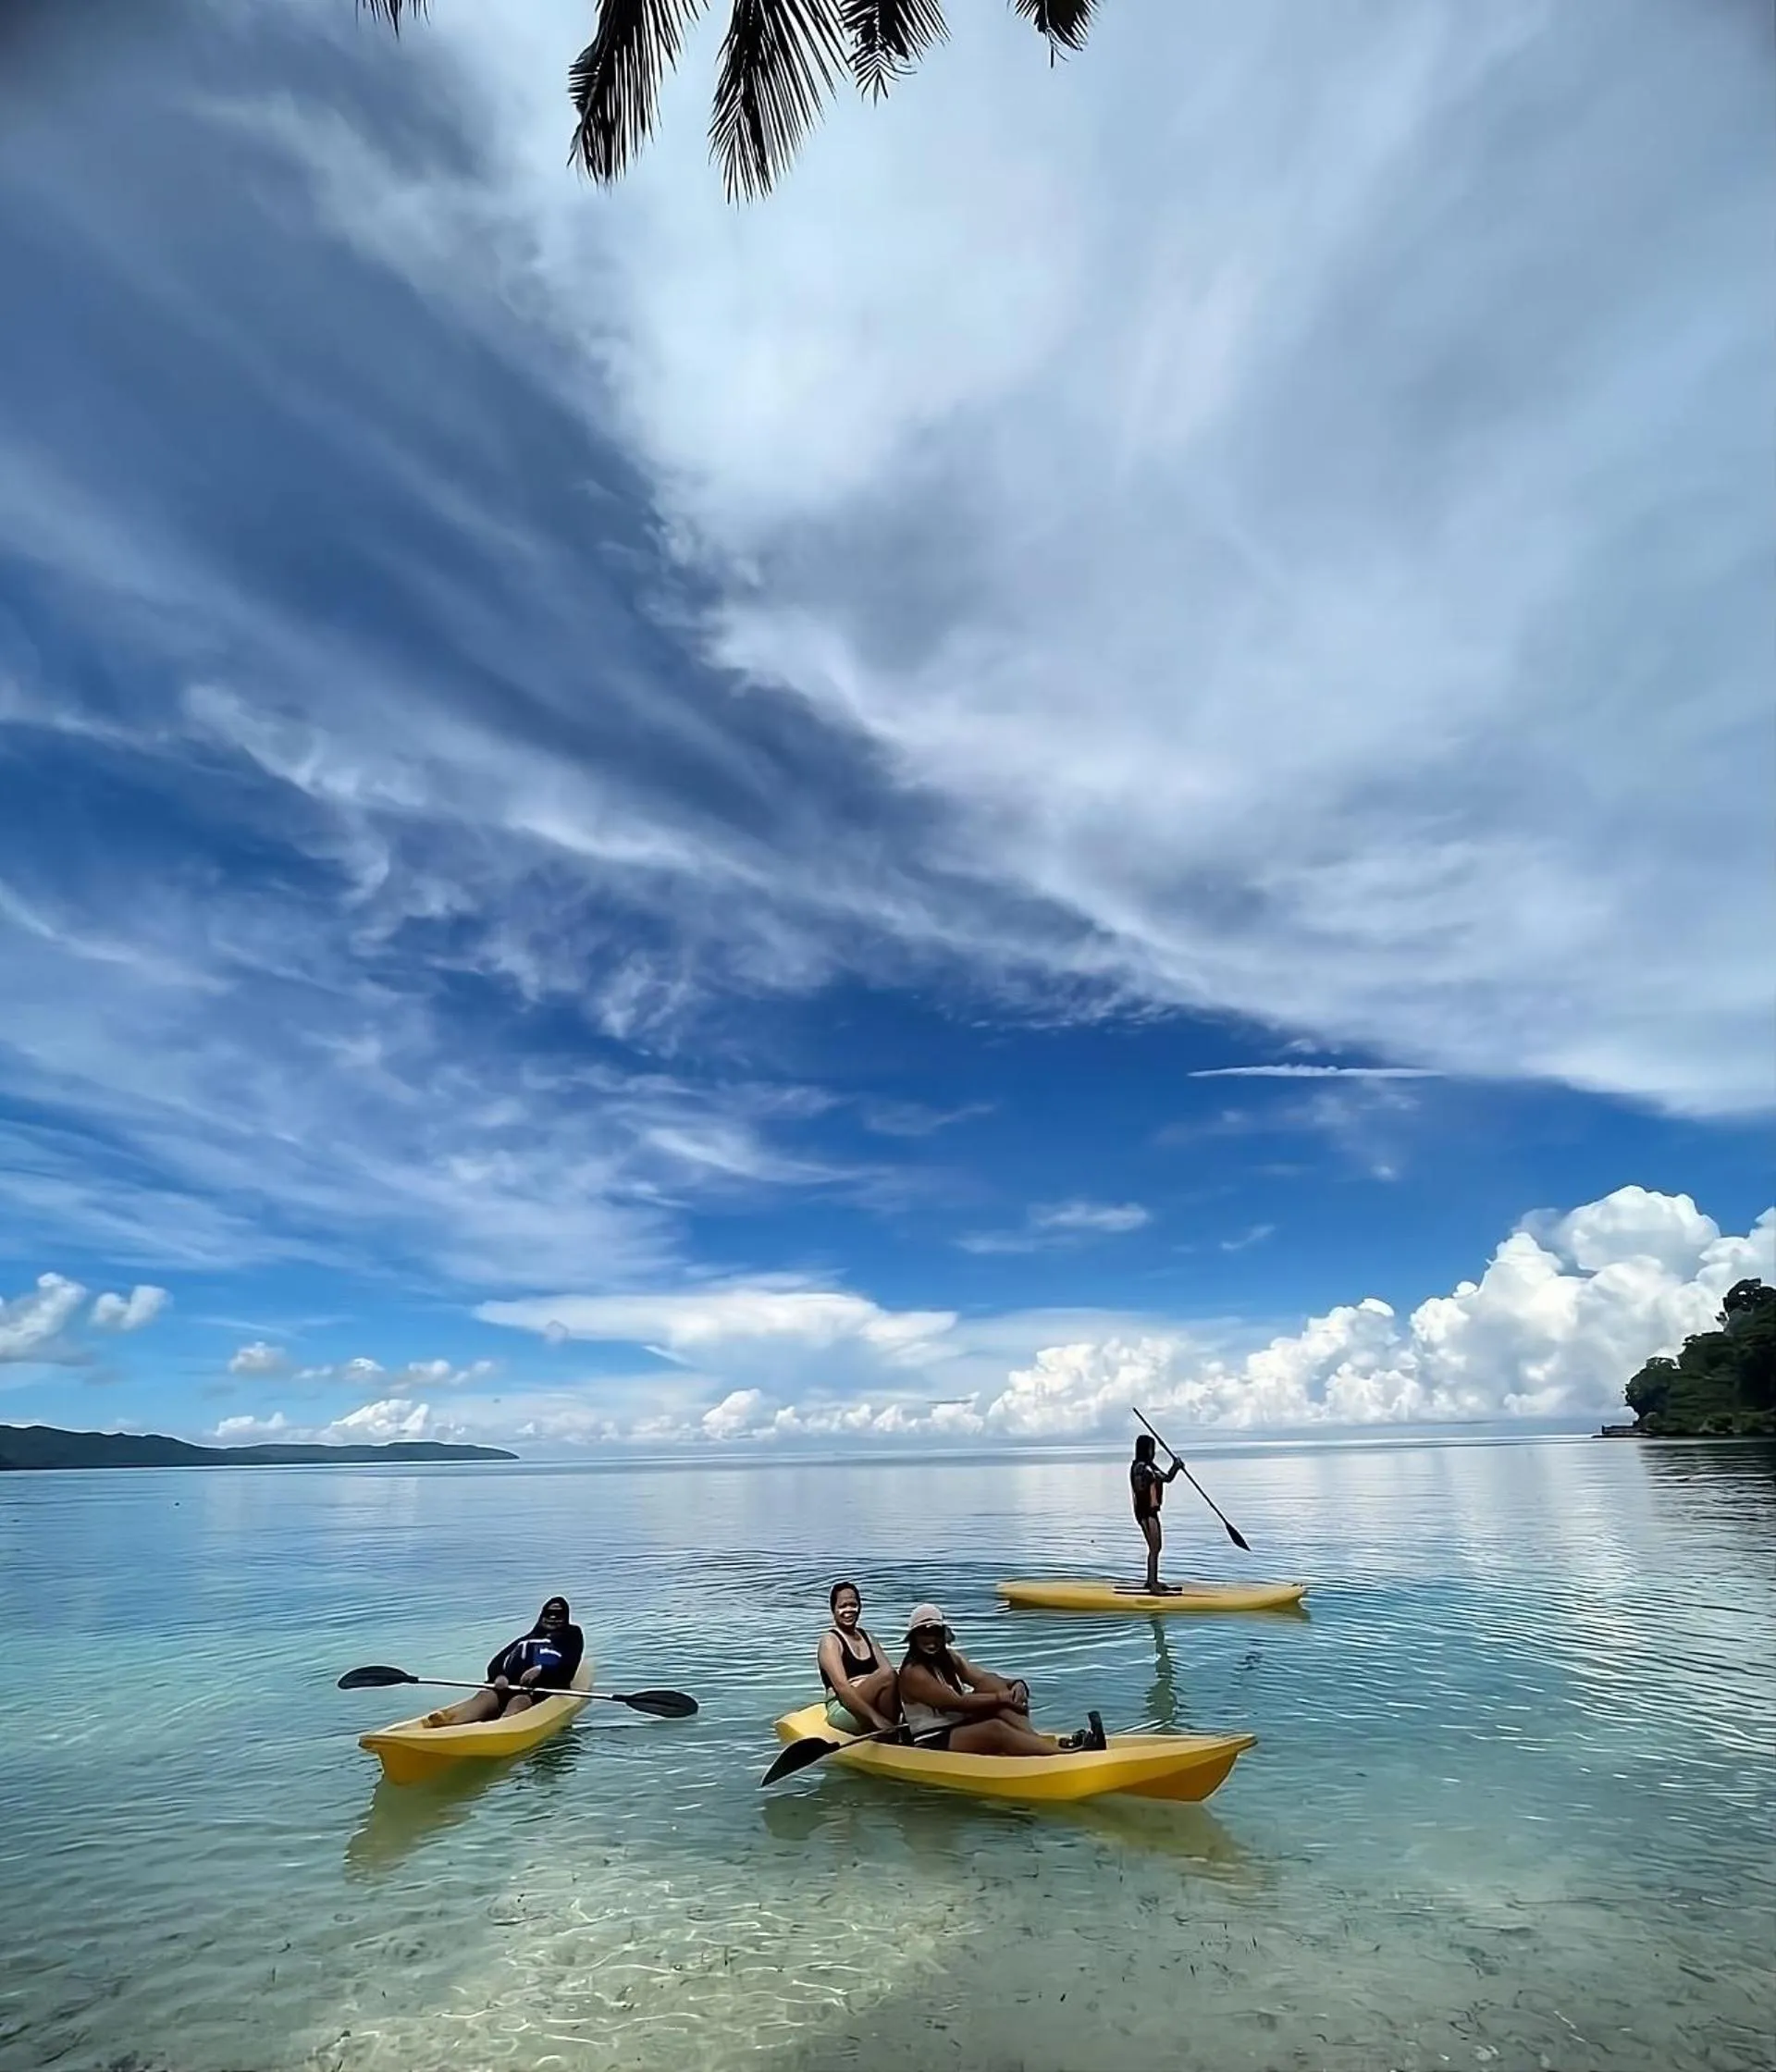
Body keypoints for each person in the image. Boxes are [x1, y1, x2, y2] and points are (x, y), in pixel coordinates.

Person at [896, 1603, 1104, 1755]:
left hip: (958, 1725)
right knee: (995, 1728)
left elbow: (983, 1678)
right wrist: (1001, 1698)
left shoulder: (949, 1657)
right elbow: (955, 1703)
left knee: (992, 1686)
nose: (930, 1639)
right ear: (914, 1638)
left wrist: (1015, 1685)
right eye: (924, 1633)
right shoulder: (913, 1673)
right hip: (933, 1740)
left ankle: (1038, 1744)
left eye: (935, 1632)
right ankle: (1063, 1755)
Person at [421, 1596, 584, 1728]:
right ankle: (450, 1722)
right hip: (508, 1686)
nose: (553, 1619)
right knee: (487, 1695)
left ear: (566, 1617)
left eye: (558, 1615)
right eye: (549, 1614)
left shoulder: (571, 1635)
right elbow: (497, 1661)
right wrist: (499, 1676)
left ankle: (501, 1725)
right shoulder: (529, 1637)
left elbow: (569, 1666)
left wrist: (541, 1670)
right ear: (542, 1616)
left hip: (538, 1692)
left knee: (519, 1701)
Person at [818, 1580, 899, 1733]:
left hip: (873, 1704)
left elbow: (890, 1674)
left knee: (899, 1673)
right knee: (887, 1675)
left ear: (860, 1606)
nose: (849, 1610)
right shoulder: (830, 1641)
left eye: (853, 1605)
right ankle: (886, 1732)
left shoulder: (867, 1637)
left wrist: (864, 1681)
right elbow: (843, 1688)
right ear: (833, 1609)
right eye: (842, 1606)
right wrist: (875, 1718)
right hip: (844, 1708)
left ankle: (894, 1729)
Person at [1131, 1432, 1184, 1595]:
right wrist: (1148, 1477)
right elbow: (1140, 1487)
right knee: (1154, 1547)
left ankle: (1152, 1580)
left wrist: (1176, 1467)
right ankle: (1152, 1584)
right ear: (1144, 1449)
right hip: (1145, 1512)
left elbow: (1167, 1478)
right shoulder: (1140, 1467)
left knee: (1157, 1547)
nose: (1153, 1452)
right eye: (1151, 1449)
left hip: (1153, 1510)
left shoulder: (1150, 1466)